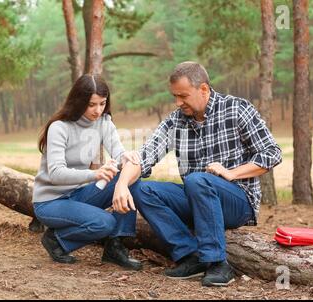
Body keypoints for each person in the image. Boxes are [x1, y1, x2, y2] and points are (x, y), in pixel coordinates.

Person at [112, 61, 282, 286]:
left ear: (203, 89)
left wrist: (232, 173)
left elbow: (272, 153)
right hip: (197, 196)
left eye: (183, 96)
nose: (178, 102)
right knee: (142, 189)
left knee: (197, 180)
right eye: (175, 96)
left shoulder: (237, 109)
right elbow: (143, 157)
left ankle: (218, 263)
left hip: (238, 201)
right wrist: (122, 184)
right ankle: (189, 256)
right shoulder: (175, 121)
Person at [32, 74, 142, 270]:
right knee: (105, 222)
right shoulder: (59, 128)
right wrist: (95, 174)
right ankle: (57, 240)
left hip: (79, 194)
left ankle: (115, 247)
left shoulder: (104, 121)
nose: (98, 110)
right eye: (92, 105)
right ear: (78, 101)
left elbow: (118, 152)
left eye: (102, 103)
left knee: (129, 177)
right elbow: (56, 174)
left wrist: (127, 157)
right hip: (50, 202)